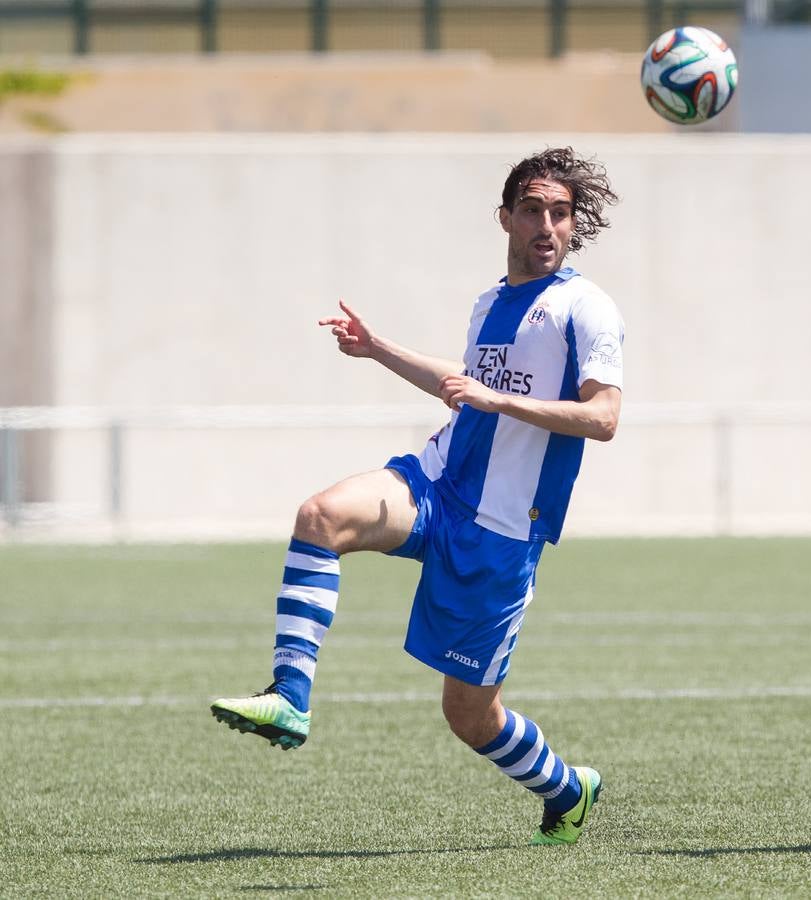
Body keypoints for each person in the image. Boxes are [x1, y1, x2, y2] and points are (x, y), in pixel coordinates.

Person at [211, 147, 624, 847]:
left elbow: (605, 417)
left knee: (469, 717)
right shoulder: (492, 301)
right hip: (434, 482)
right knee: (321, 515)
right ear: (505, 218)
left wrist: (496, 399)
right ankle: (290, 694)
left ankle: (566, 789)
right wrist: (378, 349)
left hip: (500, 530)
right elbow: (463, 383)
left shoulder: (586, 308)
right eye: (533, 211)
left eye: (561, 213)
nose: (547, 225)